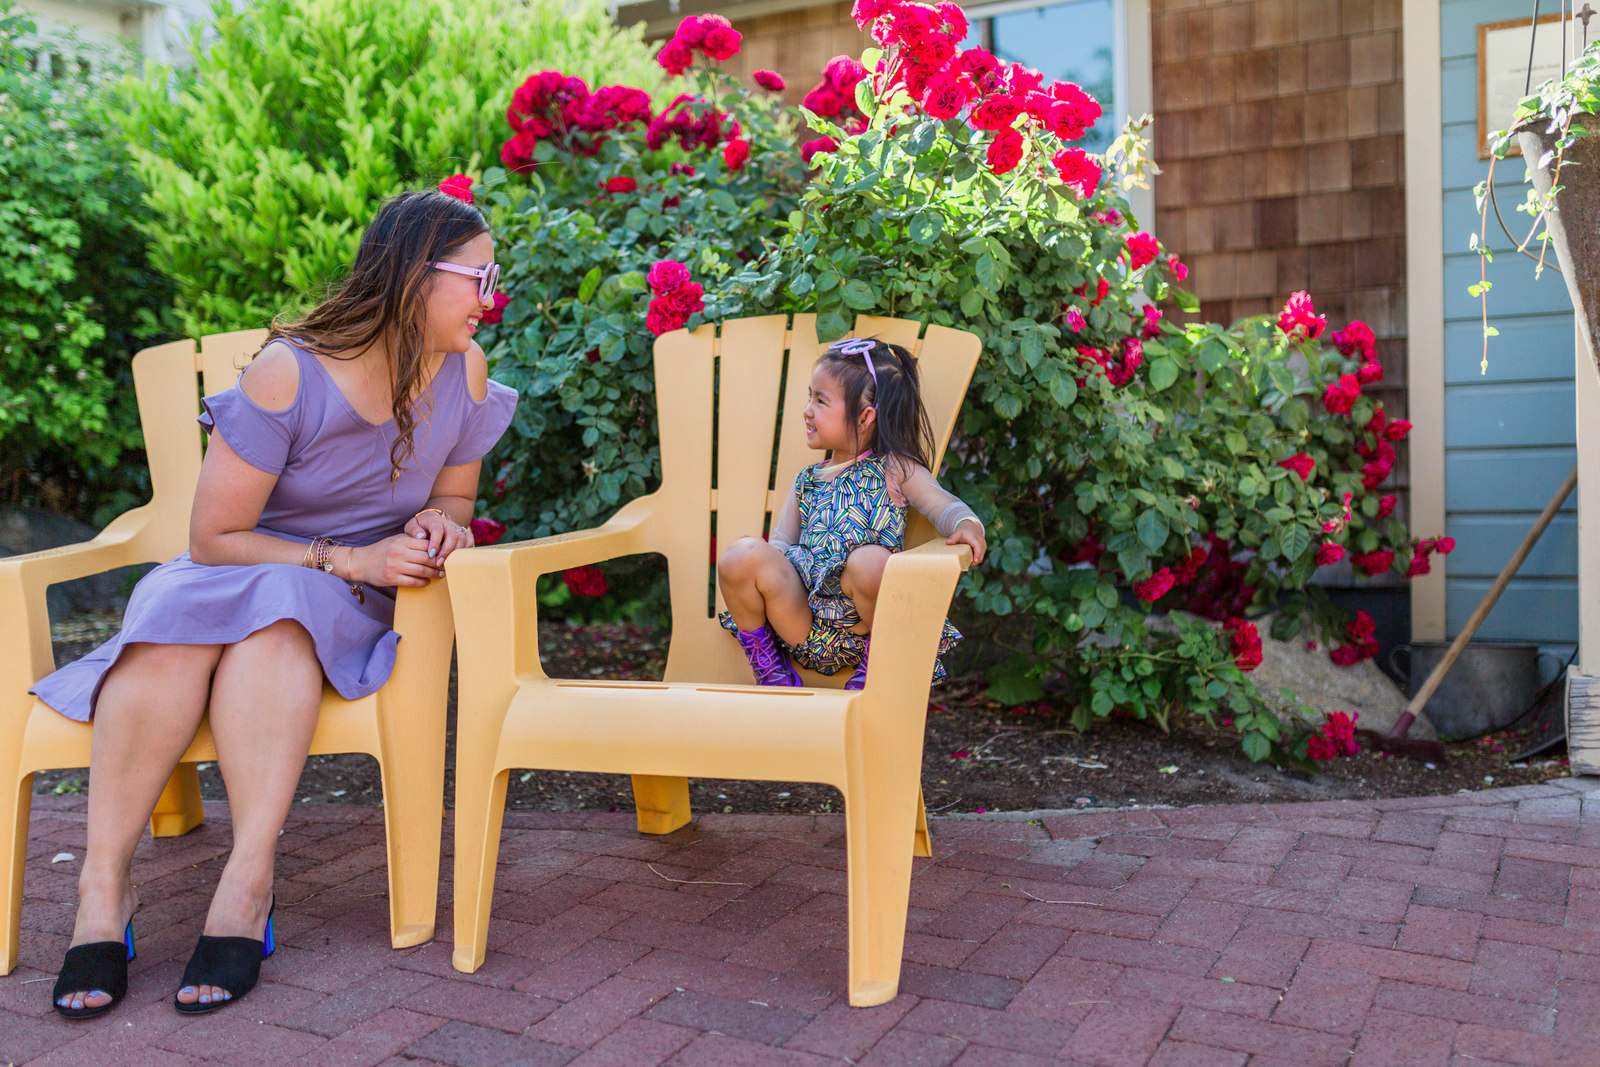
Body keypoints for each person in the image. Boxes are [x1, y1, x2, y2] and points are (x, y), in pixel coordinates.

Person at [33, 189, 517, 1019]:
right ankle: (101, 888)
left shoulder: (461, 367)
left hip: (346, 599)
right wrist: (344, 553)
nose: (491, 297)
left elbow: (457, 496)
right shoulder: (289, 371)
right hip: (240, 570)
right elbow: (215, 536)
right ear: (412, 279)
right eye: (478, 277)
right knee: (177, 631)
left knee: (277, 628)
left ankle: (246, 882)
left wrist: (441, 521)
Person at [716, 336, 986, 688]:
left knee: (871, 561)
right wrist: (757, 560)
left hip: (865, 627)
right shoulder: (807, 480)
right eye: (809, 397)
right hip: (800, 623)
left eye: (821, 401)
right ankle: (769, 667)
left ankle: (876, 669)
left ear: (864, 417)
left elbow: (944, 505)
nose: (807, 410)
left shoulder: (895, 470)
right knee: (741, 554)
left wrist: (967, 524)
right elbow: (782, 545)